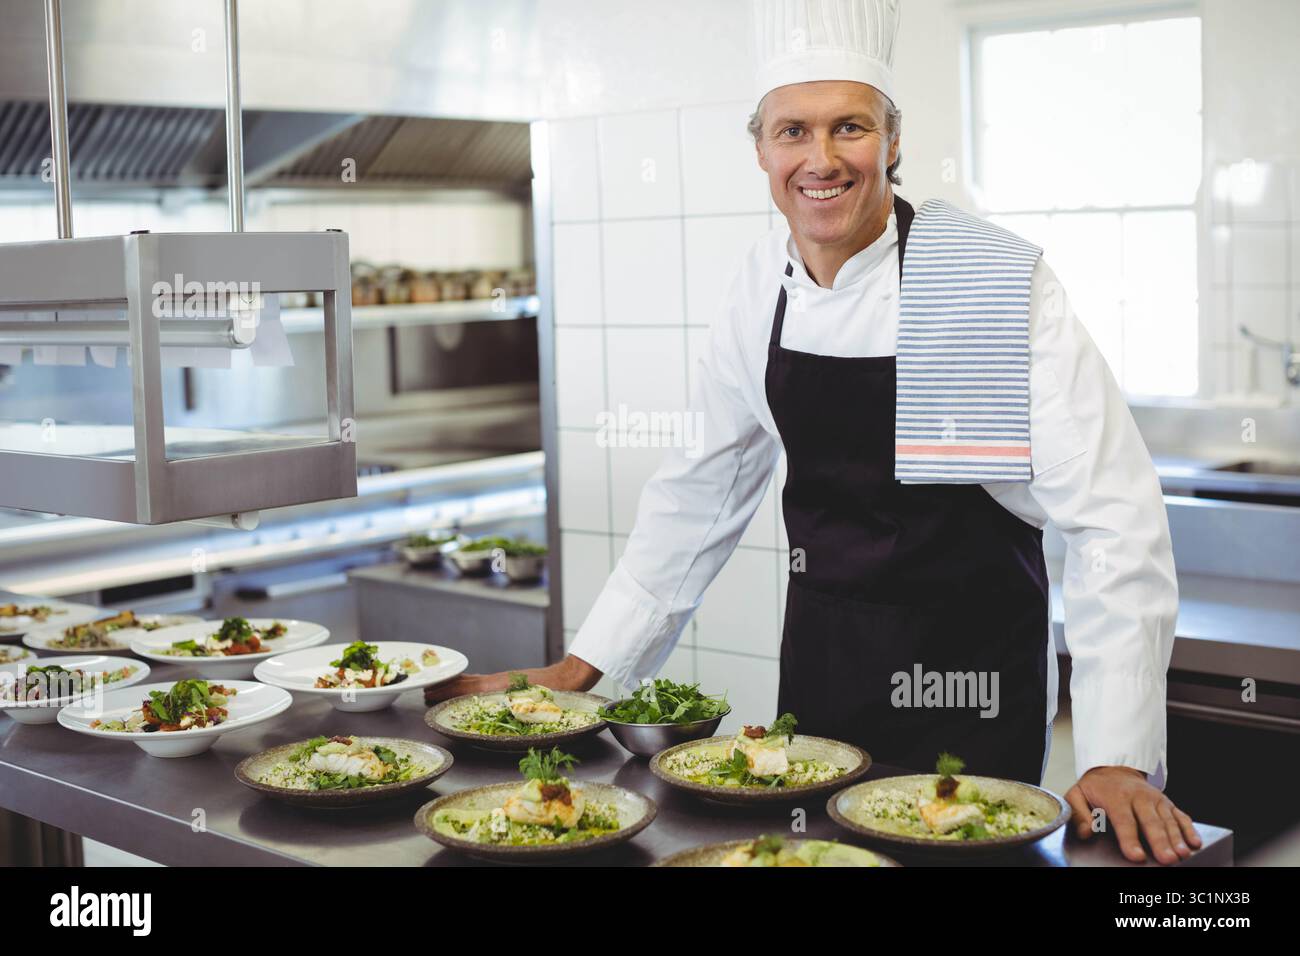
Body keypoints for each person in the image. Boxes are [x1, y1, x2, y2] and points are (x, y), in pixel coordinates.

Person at [430, 0, 1199, 864]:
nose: (822, 159)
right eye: (794, 131)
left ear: (893, 141)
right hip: (824, 688)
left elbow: (1114, 517)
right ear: (760, 149)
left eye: (850, 128)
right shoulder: (757, 286)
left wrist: (1118, 758)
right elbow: (699, 494)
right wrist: (588, 669)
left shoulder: (984, 279)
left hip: (969, 689)